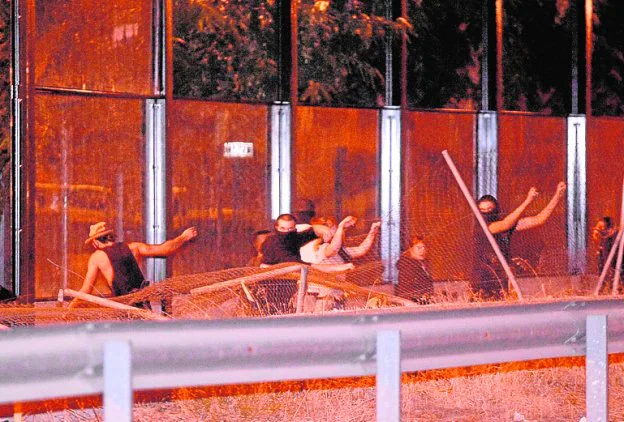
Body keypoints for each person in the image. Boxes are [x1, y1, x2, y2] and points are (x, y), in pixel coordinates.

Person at [473, 182, 566, 299]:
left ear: (496, 210)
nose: (486, 213)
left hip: (501, 278)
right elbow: (506, 224)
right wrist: (528, 200)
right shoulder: (481, 227)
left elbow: (539, 219)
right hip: (483, 280)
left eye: (490, 209)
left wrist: (557, 195)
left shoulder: (504, 225)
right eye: (482, 210)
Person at [73, 222, 197, 301]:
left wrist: (69, 310)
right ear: (110, 236)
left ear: (95, 242)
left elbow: (86, 290)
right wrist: (183, 237)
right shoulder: (134, 247)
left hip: (124, 306)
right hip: (142, 302)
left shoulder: (97, 257)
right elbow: (164, 249)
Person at [261, 213, 331, 265]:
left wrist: (324, 229)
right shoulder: (271, 242)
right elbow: (289, 261)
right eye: (282, 228)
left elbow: (311, 232)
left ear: (295, 228)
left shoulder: (294, 238)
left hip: (292, 279)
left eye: (290, 228)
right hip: (274, 281)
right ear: (276, 227)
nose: (286, 232)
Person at [395, 236, 434, 303]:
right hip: (410, 302)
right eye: (418, 248)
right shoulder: (408, 265)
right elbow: (407, 288)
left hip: (422, 300)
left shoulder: (423, 263)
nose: (422, 250)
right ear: (411, 249)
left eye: (424, 247)